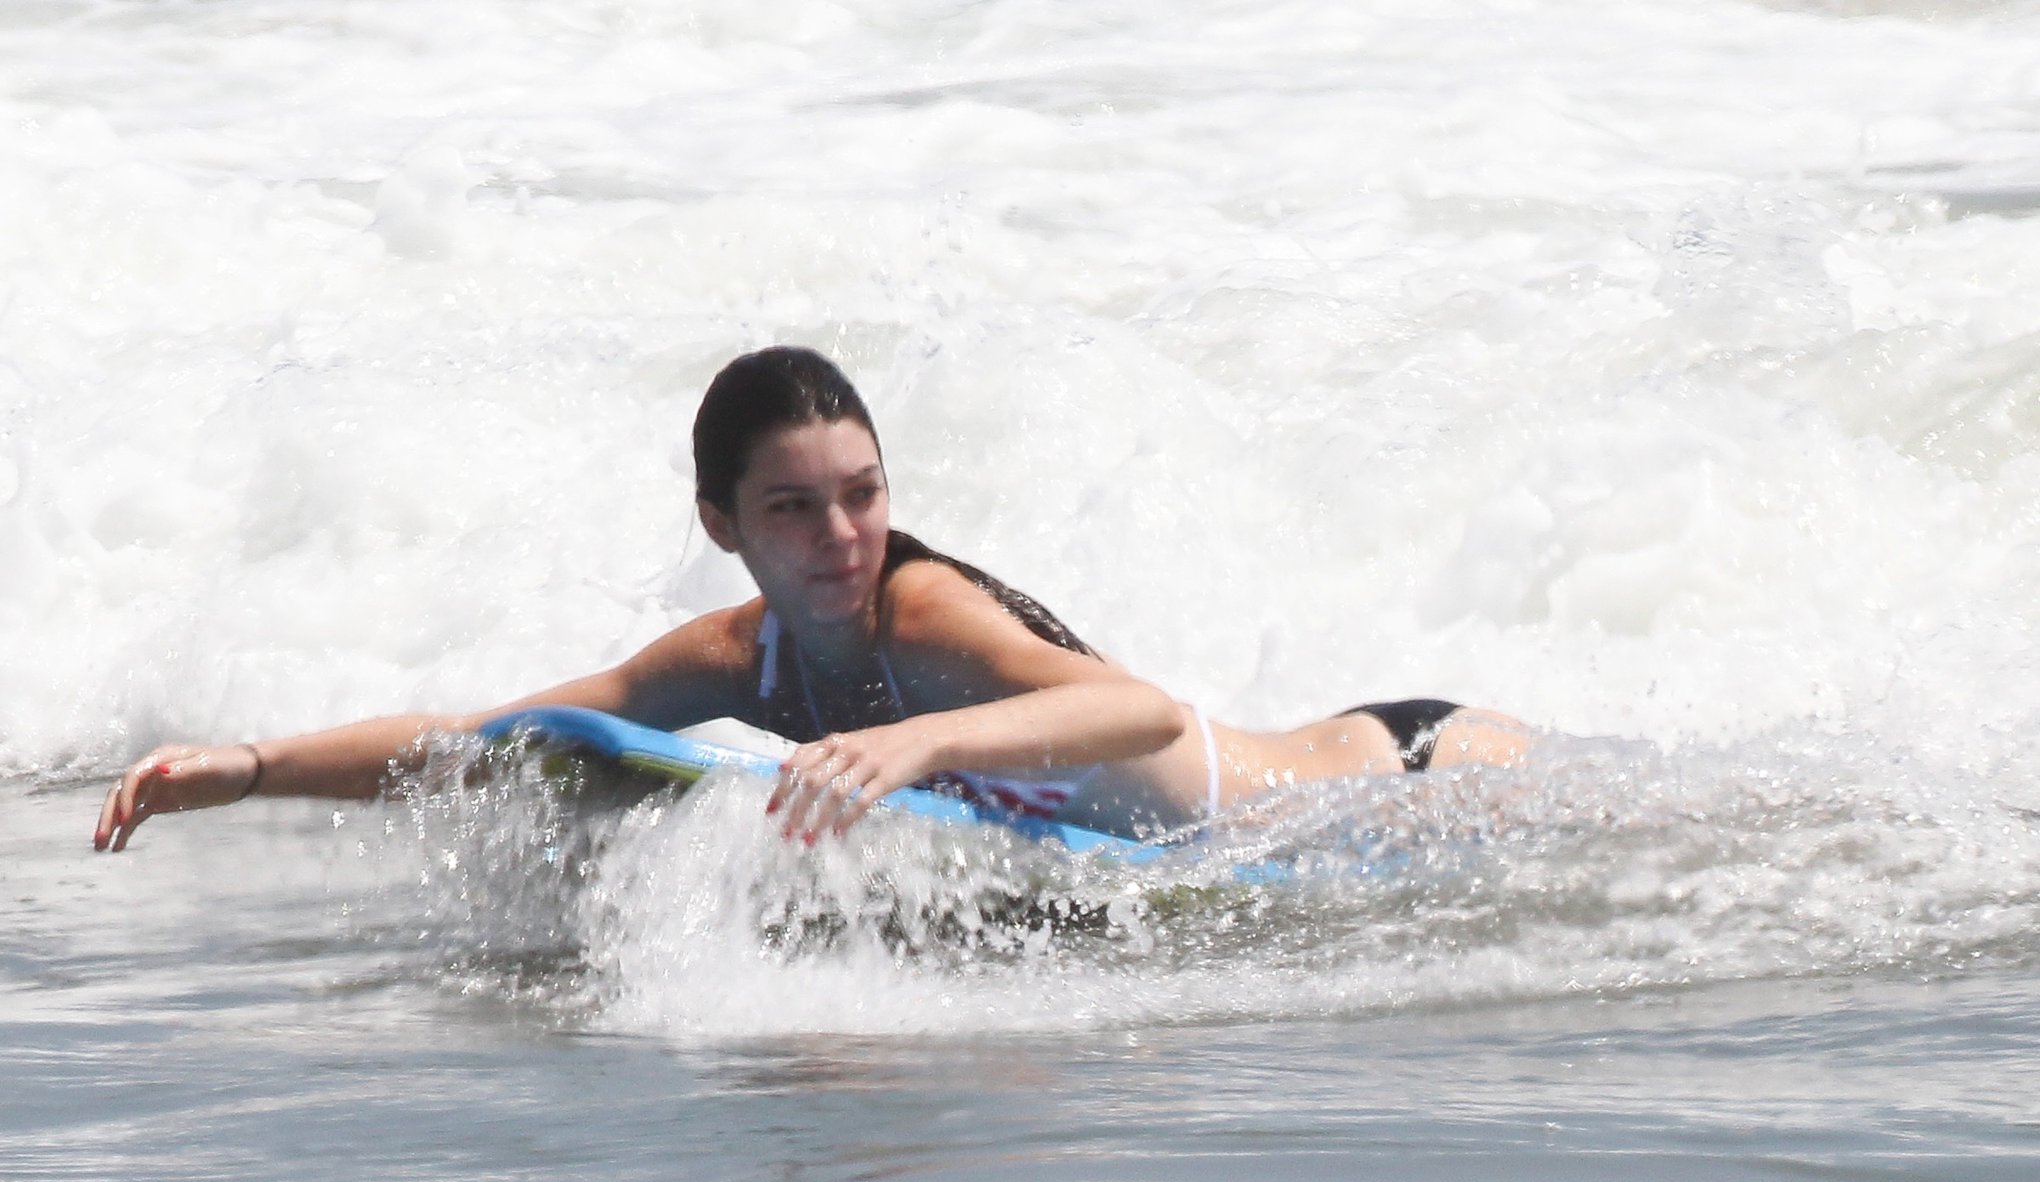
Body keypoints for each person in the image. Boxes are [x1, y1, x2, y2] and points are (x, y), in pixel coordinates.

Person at [94, 346, 1530, 853]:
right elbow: (493, 735)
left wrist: (921, 744)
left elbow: (1142, 709)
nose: (844, 533)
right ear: (721, 523)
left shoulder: (925, 617)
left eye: (865, 492)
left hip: (1403, 775)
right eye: (794, 506)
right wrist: (255, 767)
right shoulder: (740, 655)